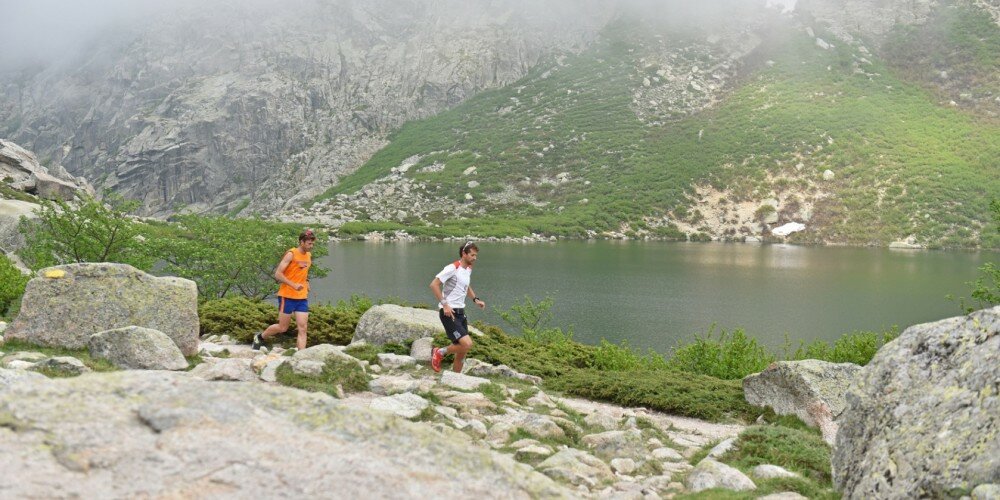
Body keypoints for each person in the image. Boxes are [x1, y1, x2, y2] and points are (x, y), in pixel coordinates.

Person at [252, 229, 316, 351]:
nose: (311, 246)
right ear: (301, 242)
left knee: (303, 328)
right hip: (287, 296)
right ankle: (260, 337)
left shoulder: (308, 255)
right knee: (282, 327)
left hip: (301, 297)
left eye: (312, 244)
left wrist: (307, 282)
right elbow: (278, 274)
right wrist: (293, 285)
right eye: (309, 244)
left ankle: (300, 356)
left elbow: (303, 272)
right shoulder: (291, 254)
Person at [429, 241, 486, 373]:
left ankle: (456, 379)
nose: (475, 258)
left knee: (462, 351)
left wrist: (475, 299)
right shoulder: (452, 267)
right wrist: (445, 305)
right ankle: (439, 352)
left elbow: (465, 286)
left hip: (461, 313)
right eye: (472, 255)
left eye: (476, 255)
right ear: (463, 254)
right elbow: (434, 285)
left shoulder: (468, 269)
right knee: (467, 344)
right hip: (449, 313)